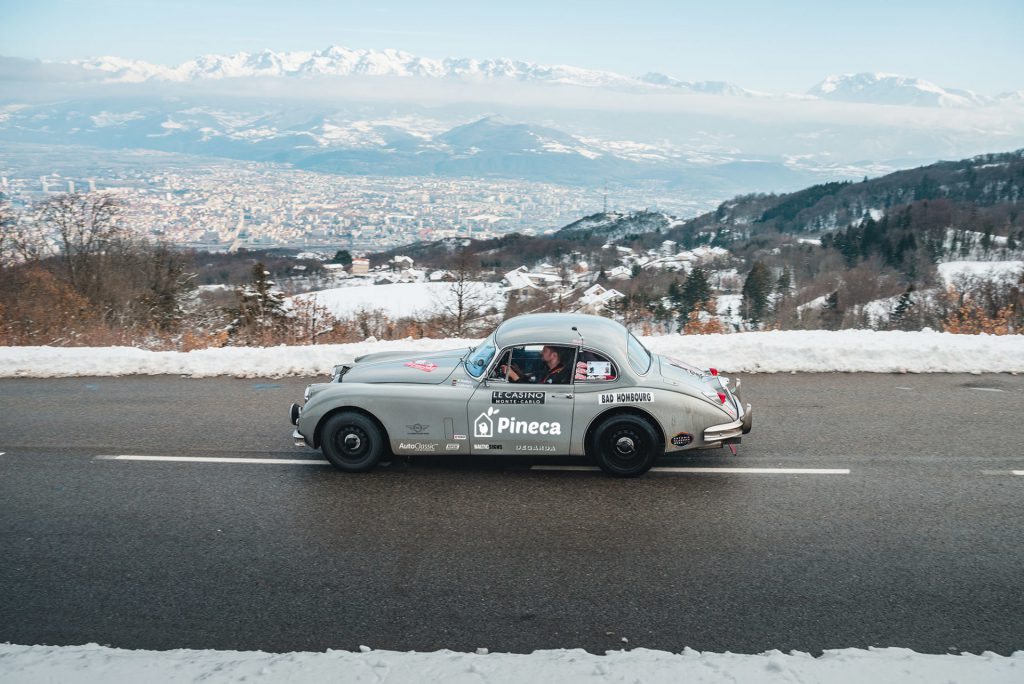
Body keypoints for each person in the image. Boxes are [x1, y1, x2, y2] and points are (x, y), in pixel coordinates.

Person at [502, 346, 571, 384]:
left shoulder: (557, 375)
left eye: (544, 351)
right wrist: (519, 373)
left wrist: (513, 375)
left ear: (553, 355)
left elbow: (533, 392)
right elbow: (533, 381)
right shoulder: (547, 369)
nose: (541, 352)